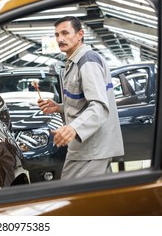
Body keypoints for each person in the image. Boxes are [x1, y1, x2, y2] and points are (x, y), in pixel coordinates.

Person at [38, 16, 124, 179]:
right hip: (90, 149)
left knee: (71, 196)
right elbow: (83, 102)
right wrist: (59, 107)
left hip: (90, 150)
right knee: (97, 199)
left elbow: (99, 106)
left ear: (80, 34)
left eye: (65, 33)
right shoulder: (75, 61)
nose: (60, 39)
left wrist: (73, 128)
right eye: (57, 35)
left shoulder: (87, 61)